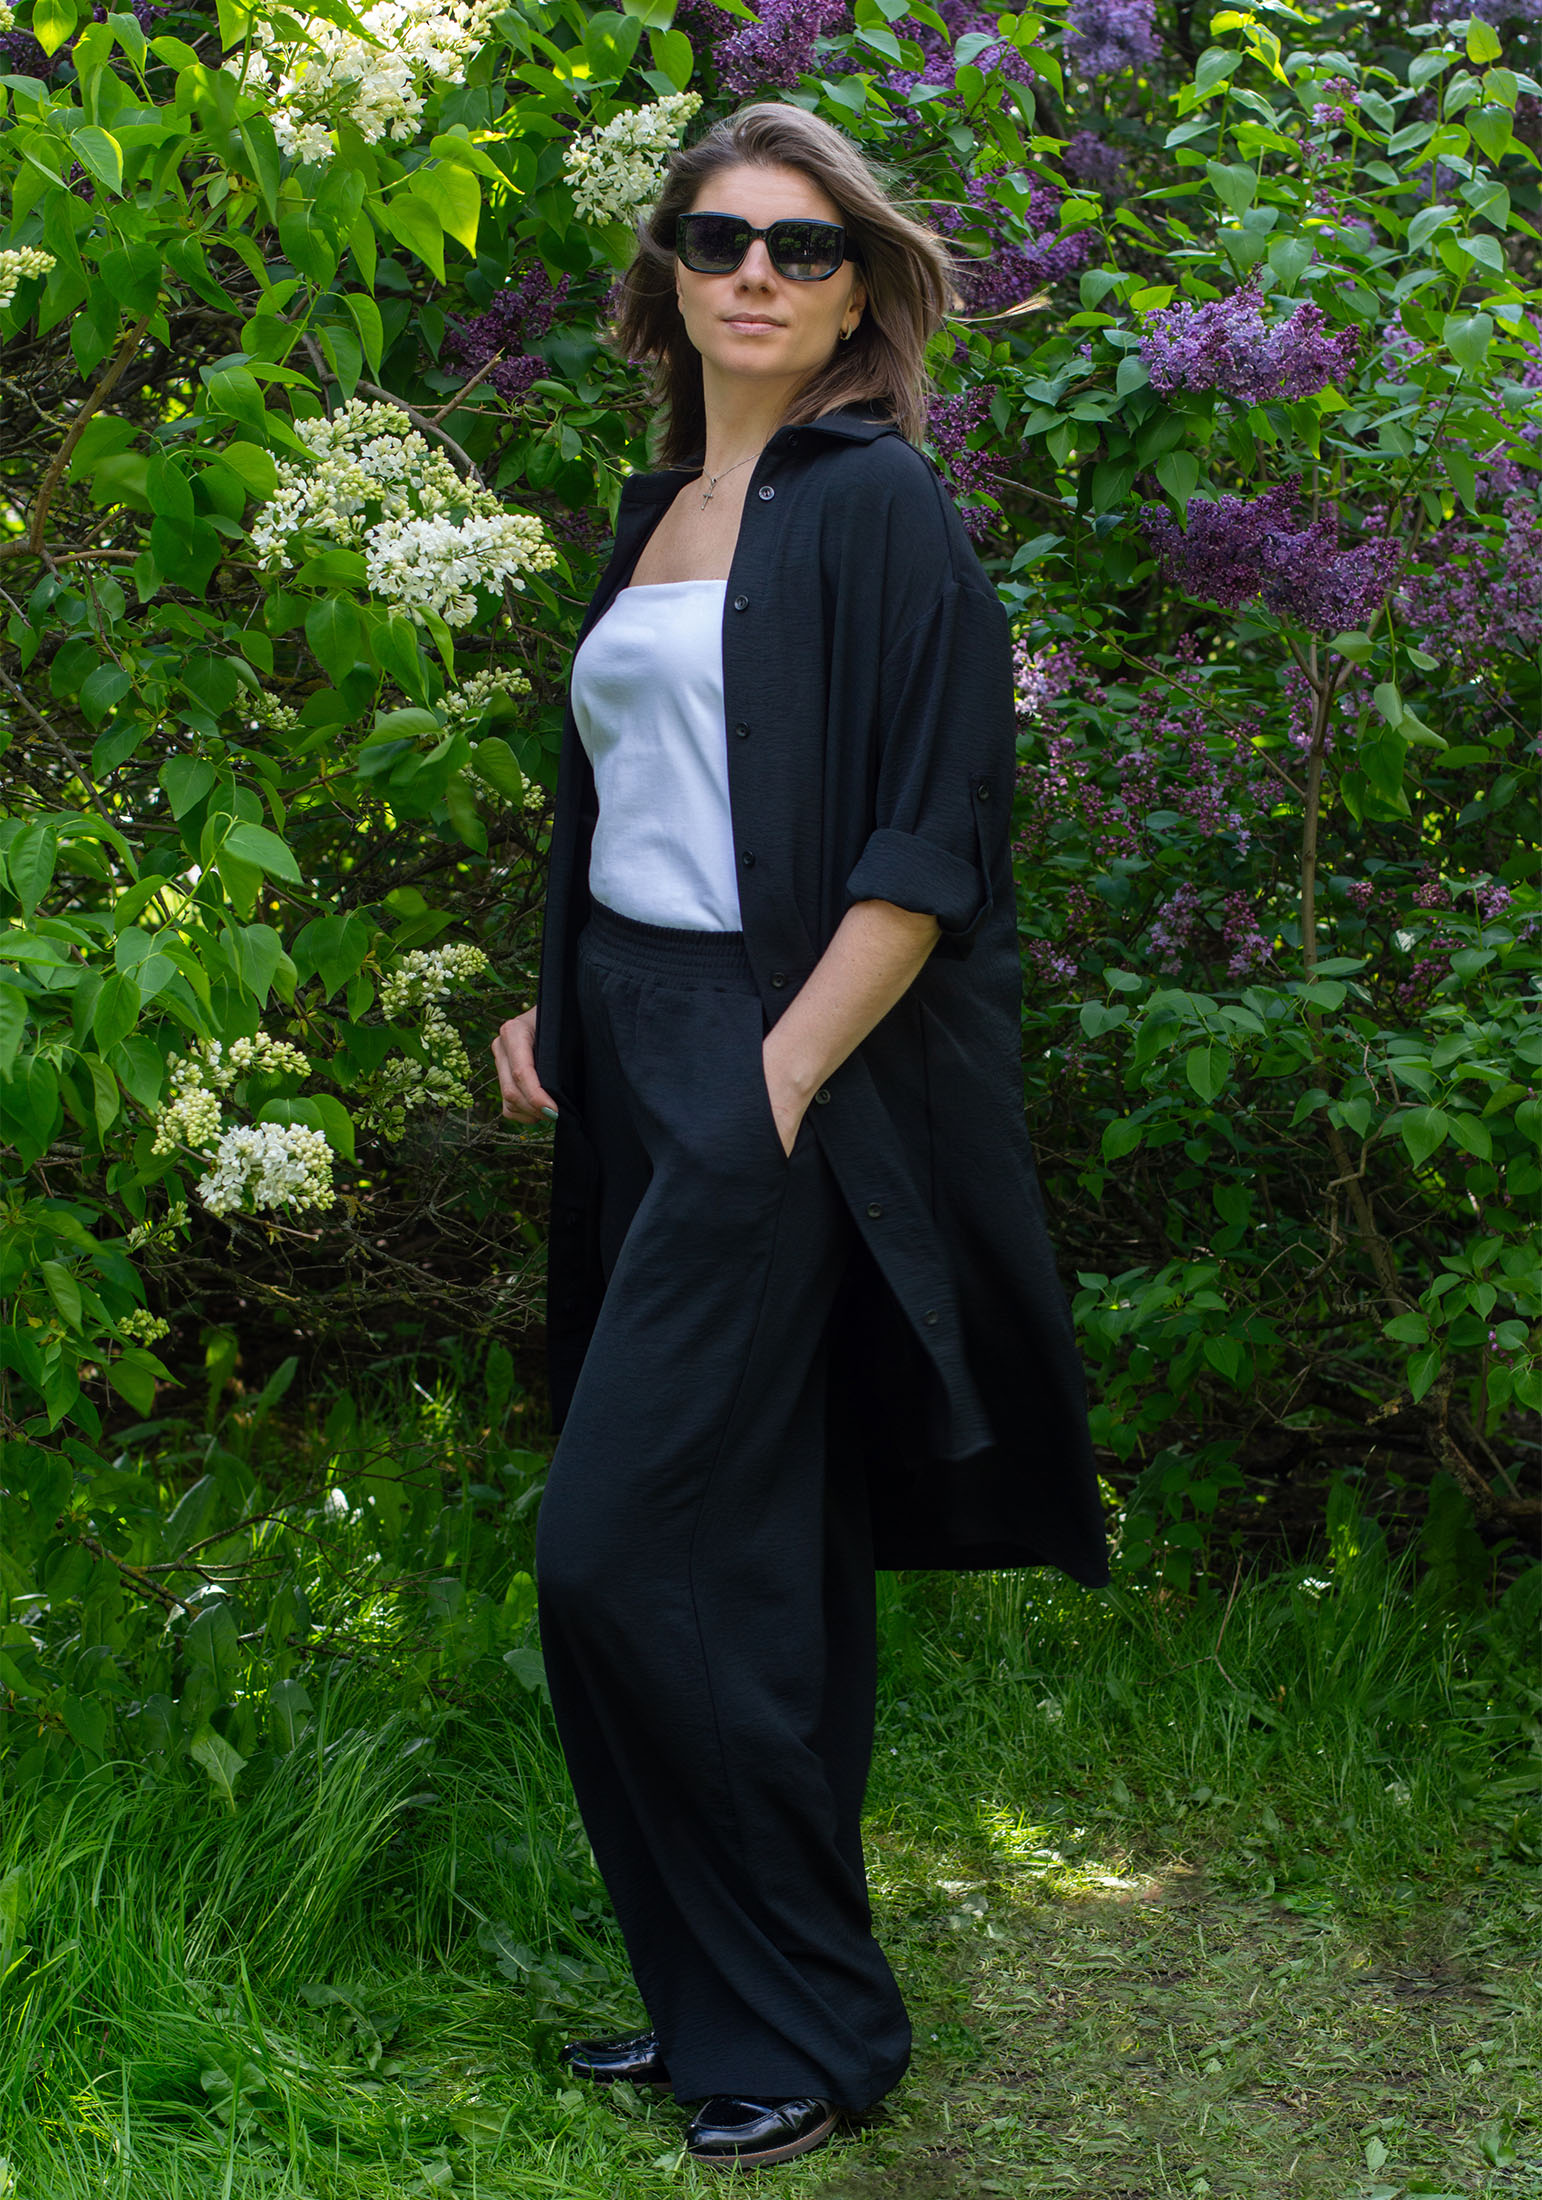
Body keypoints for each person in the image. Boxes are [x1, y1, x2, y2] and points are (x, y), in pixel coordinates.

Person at [490, 100, 1109, 2174]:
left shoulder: (876, 507)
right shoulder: (659, 506)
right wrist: (556, 992)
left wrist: (778, 1077)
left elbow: (926, 842)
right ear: (666, 275)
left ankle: (809, 2014)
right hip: (638, 1042)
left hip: (782, 1064)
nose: (755, 271)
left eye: (803, 246)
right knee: (746, 1547)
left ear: (860, 294)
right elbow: (632, 793)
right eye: (717, 237)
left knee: (617, 1543)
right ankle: (726, 2009)